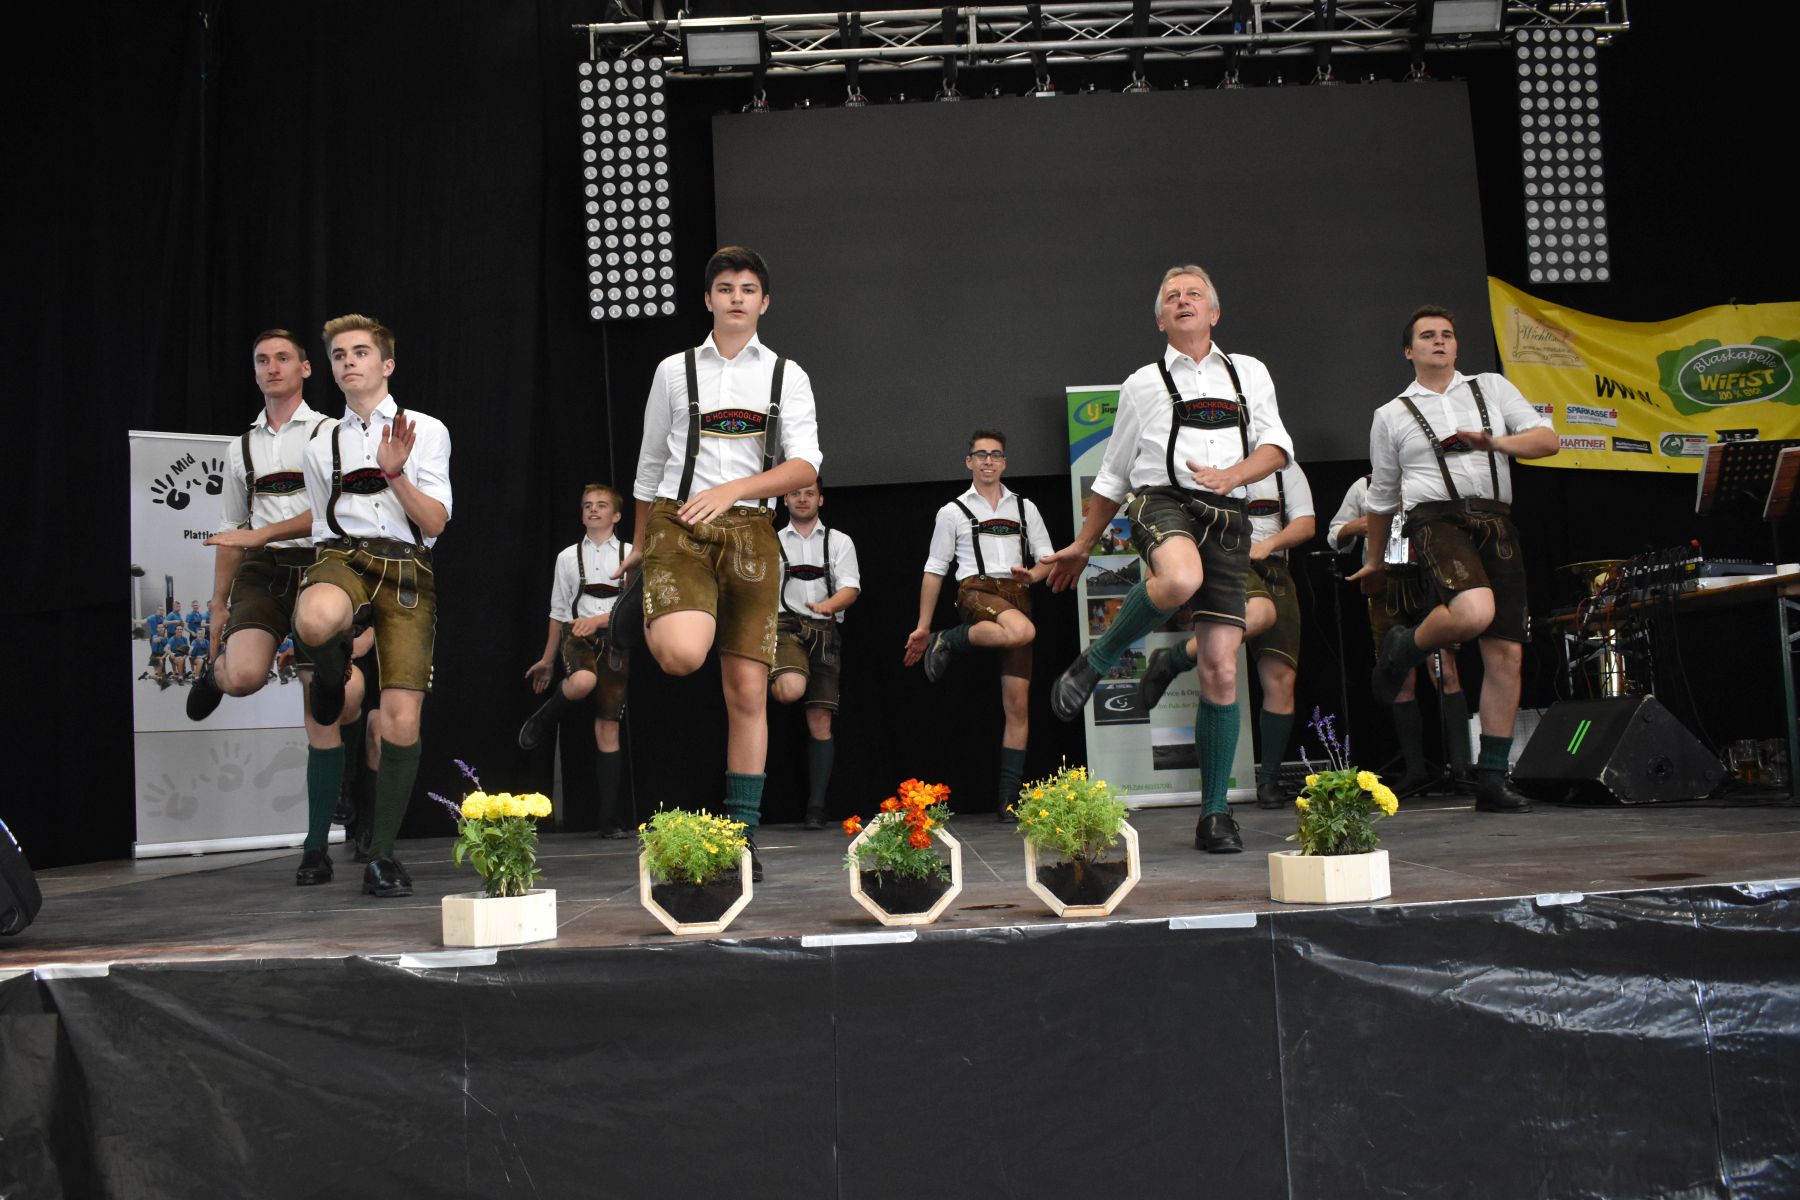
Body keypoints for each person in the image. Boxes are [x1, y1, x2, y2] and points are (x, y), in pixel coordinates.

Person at [1044, 265, 1294, 854]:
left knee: (1221, 670)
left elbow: (1277, 447)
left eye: (1195, 294)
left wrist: (1234, 475)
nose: (1184, 301)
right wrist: (1083, 543)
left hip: (1228, 515)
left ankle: (1214, 815)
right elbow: (1113, 474)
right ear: (1161, 319)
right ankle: (1098, 659)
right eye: (1172, 297)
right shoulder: (1142, 383)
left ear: (1214, 313)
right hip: (1163, 501)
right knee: (1180, 577)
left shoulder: (1249, 372)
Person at [617, 247, 821, 881]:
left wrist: (735, 490)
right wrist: (640, 545)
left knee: (748, 691)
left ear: (765, 302)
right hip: (681, 524)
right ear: (708, 299)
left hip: (753, 532)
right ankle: (646, 603)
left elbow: (805, 466)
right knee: (682, 655)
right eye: (726, 287)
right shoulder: (673, 370)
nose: (736, 297)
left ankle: (742, 837)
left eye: (748, 288)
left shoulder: (787, 375)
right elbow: (651, 465)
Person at [1351, 305, 1557, 813]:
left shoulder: (1491, 388)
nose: (1439, 341)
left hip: (1496, 521)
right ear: (1409, 350)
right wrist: (1375, 561)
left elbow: (1547, 441)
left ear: (1456, 345)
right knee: (1473, 611)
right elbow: (1382, 498)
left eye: (1447, 334)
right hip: (1435, 520)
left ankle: (1491, 779)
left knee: (1506, 654)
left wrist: (1495, 442)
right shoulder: (1391, 414)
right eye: (1427, 335)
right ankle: (1405, 646)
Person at [294, 314, 452, 896]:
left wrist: (395, 473)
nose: (348, 362)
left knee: (401, 720)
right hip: (343, 554)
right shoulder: (321, 445)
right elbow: (320, 526)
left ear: (386, 364)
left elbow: (435, 522)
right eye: (339, 355)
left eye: (360, 352)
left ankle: (382, 855)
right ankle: (330, 675)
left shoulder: (426, 429)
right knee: (314, 618)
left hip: (407, 566)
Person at [1138, 459, 1316, 810]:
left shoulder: (1285, 469)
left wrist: (1270, 544)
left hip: (1275, 569)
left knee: (1281, 677)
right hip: (1226, 562)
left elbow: (1306, 524)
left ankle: (1269, 780)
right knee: (1261, 614)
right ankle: (1178, 658)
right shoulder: (1208, 459)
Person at [903, 429, 1054, 821]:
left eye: (996, 455)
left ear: (1004, 462)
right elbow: (935, 570)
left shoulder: (1025, 508)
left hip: (1017, 596)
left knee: (1018, 705)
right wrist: (923, 626)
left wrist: (1033, 576)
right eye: (981, 454)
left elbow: (1047, 560)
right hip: (975, 591)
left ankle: (1007, 800)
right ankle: (948, 637)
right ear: (969, 461)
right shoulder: (952, 511)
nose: (989, 461)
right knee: (1023, 631)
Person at [187, 330, 334, 724]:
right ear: (254, 373)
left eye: (283, 358)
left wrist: (262, 532)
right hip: (264, 570)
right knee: (242, 678)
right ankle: (214, 674)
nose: (272, 367)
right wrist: (218, 603)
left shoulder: (330, 434)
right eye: (262, 360)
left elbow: (334, 515)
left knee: (338, 706)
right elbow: (232, 528)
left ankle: (330, 672)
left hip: (323, 567)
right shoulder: (240, 447)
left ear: (305, 368)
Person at [1326, 472, 1471, 792]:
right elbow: (1334, 535)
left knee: (1445, 671)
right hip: (1385, 587)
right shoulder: (1364, 485)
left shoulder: (1430, 477)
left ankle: (1461, 767)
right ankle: (1415, 769)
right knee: (1400, 677)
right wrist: (1357, 526)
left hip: (1430, 581)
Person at [520, 483, 634, 838]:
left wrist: (599, 620)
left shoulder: (631, 554)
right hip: (577, 636)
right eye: (587, 505)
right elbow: (558, 612)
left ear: (616, 515)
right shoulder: (568, 557)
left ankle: (608, 818)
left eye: (601, 505)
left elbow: (636, 609)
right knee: (583, 681)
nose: (593, 510)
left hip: (615, 641)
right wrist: (547, 660)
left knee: (608, 727)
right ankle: (544, 717)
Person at [770, 480, 861, 830]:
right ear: (785, 499)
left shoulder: (838, 541)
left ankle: (816, 808)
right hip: (786, 627)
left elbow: (851, 588)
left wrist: (828, 605)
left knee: (820, 721)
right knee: (791, 689)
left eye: (809, 493)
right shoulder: (772, 541)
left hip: (825, 631)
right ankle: (760, 677)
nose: (803, 499)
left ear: (820, 499)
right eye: (796, 493)